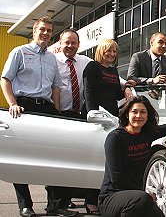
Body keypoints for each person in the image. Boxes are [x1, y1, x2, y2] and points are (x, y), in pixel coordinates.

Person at [0, 16, 77, 217]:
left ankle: (55, 206)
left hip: (48, 108)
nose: (45, 33)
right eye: (42, 29)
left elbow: (55, 88)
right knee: (21, 156)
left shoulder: (52, 57)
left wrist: (58, 113)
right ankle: (25, 205)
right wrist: (13, 104)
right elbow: (5, 79)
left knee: (55, 156)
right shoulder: (20, 52)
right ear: (34, 31)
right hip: (24, 107)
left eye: (49, 31)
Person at [98, 96, 166, 217]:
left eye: (143, 112)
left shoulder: (147, 134)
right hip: (111, 197)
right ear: (127, 114)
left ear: (148, 116)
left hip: (139, 197)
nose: (138, 116)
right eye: (134, 111)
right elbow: (117, 178)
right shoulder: (115, 138)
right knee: (140, 200)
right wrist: (145, 193)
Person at [55, 29, 101, 215]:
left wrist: (127, 86)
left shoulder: (86, 62)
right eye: (67, 42)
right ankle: (57, 202)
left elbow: (112, 78)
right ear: (60, 43)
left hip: (79, 116)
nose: (70, 46)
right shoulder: (52, 61)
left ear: (78, 45)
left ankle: (67, 198)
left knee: (75, 158)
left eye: (74, 43)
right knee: (58, 159)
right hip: (58, 114)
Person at [83, 39, 133, 117]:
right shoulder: (93, 66)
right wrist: (91, 112)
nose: (112, 54)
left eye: (114, 51)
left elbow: (118, 95)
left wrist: (127, 88)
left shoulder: (114, 71)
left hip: (112, 115)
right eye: (109, 51)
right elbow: (88, 91)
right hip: (96, 114)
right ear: (101, 51)